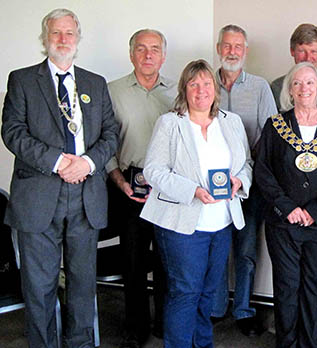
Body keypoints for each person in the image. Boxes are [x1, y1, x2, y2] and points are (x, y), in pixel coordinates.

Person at [1, 8, 119, 348]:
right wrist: (56, 161)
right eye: (56, 33)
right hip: (39, 196)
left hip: (86, 195)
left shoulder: (95, 83)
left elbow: (110, 134)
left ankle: (80, 343)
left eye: (69, 33)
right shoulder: (22, 80)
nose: (63, 39)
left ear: (78, 39)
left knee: (83, 283)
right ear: (44, 39)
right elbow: (12, 132)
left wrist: (86, 163)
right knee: (40, 286)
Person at [139, 59, 252, 348]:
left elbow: (246, 165)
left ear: (215, 89)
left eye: (206, 83)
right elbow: (153, 171)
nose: (201, 90)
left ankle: (203, 345)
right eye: (194, 84)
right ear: (184, 90)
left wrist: (239, 182)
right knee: (185, 292)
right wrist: (193, 190)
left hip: (222, 223)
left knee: (208, 293)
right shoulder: (170, 123)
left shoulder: (231, 122)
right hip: (183, 225)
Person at [255, 62, 317, 348]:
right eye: (297, 83)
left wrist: (315, 211)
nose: (304, 88)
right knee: (286, 288)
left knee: (315, 288)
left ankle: (311, 343)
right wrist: (287, 207)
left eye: (310, 83)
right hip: (283, 223)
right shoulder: (275, 126)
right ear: (289, 90)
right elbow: (263, 171)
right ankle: (286, 344)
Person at [106, 28, 175, 348]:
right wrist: (117, 178)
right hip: (128, 188)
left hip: (167, 190)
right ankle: (136, 328)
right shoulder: (111, 91)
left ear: (163, 55)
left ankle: (164, 323)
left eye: (155, 49)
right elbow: (102, 141)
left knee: (166, 261)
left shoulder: (177, 92)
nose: (149, 55)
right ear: (131, 53)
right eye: (142, 49)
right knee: (132, 263)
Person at [211, 24, 277, 336]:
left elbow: (270, 135)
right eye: (226, 45)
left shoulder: (261, 87)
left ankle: (243, 309)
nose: (232, 51)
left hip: (248, 182)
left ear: (245, 51)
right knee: (215, 248)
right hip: (209, 184)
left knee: (246, 249)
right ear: (218, 48)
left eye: (238, 46)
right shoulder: (203, 83)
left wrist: (244, 171)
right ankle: (214, 307)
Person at [270, 23, 317, 116]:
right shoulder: (277, 87)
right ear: (292, 51)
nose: (308, 58)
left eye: (313, 51)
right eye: (302, 51)